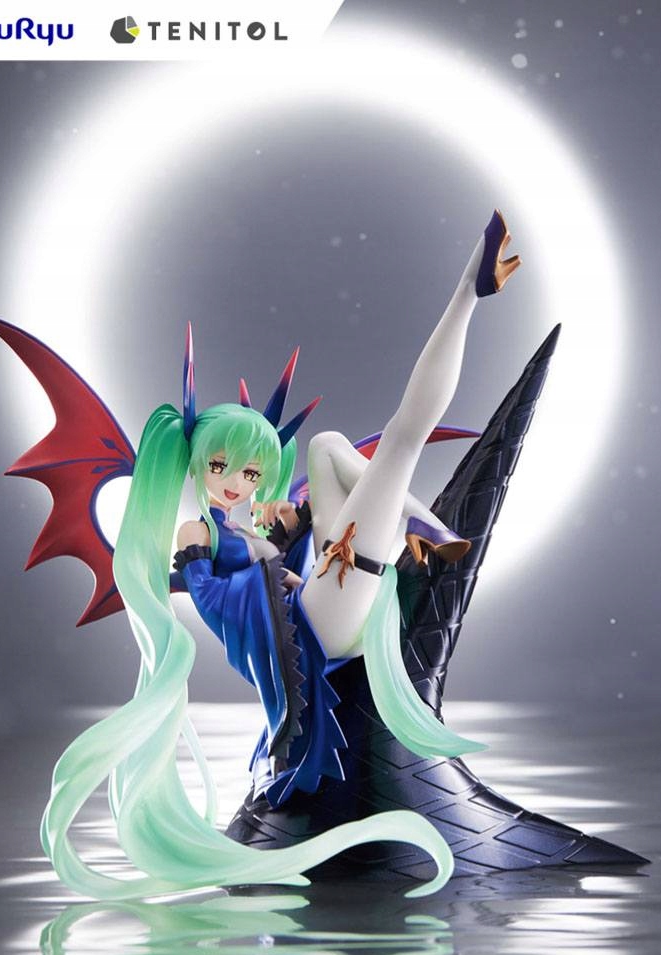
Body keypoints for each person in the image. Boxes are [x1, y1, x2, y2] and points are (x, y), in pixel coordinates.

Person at [40, 210, 520, 901]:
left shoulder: (247, 528)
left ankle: (424, 525)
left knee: (328, 445)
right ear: (195, 466)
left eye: (250, 472)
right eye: (221, 469)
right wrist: (273, 561)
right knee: (402, 439)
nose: (235, 484)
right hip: (311, 634)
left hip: (321, 595)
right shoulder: (197, 535)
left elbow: (271, 564)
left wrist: (288, 537)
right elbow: (226, 607)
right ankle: (468, 291)